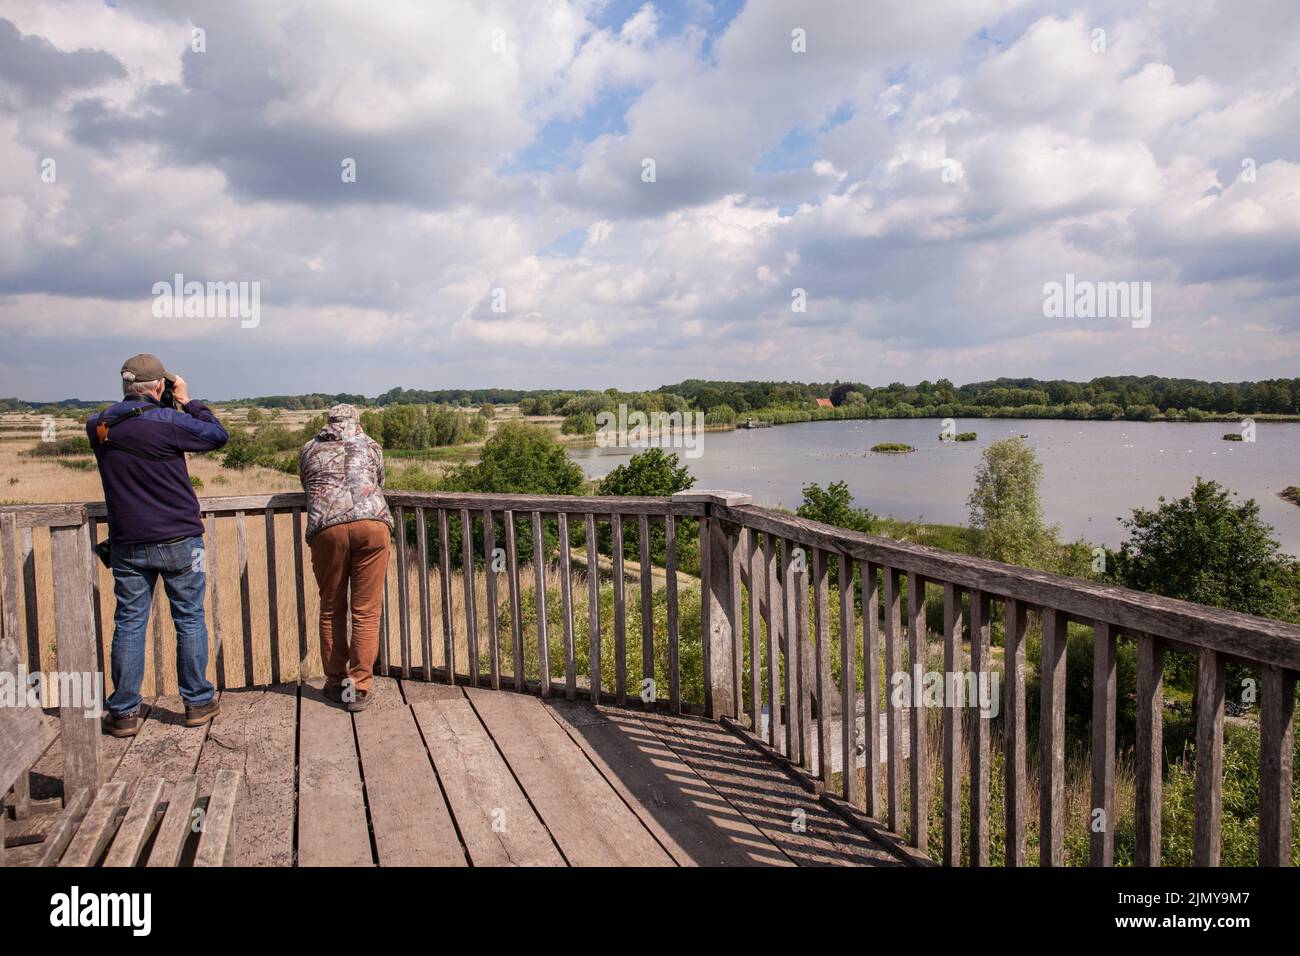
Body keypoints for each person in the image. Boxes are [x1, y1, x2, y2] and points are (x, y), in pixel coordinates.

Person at [89, 354, 228, 737]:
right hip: (181, 539)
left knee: (130, 623)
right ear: (158, 386)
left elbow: (136, 426)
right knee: (188, 618)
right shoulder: (169, 421)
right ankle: (198, 702)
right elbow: (217, 435)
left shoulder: (100, 424)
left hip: (128, 543)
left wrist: (162, 400)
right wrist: (187, 400)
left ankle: (124, 712)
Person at [299, 403, 392, 712]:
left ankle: (337, 683)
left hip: (329, 529)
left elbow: (307, 485)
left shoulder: (310, 449)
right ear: (357, 421)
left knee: (331, 609)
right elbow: (379, 481)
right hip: (372, 525)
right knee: (365, 611)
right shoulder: (371, 446)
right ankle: (360, 688)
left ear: (328, 423)